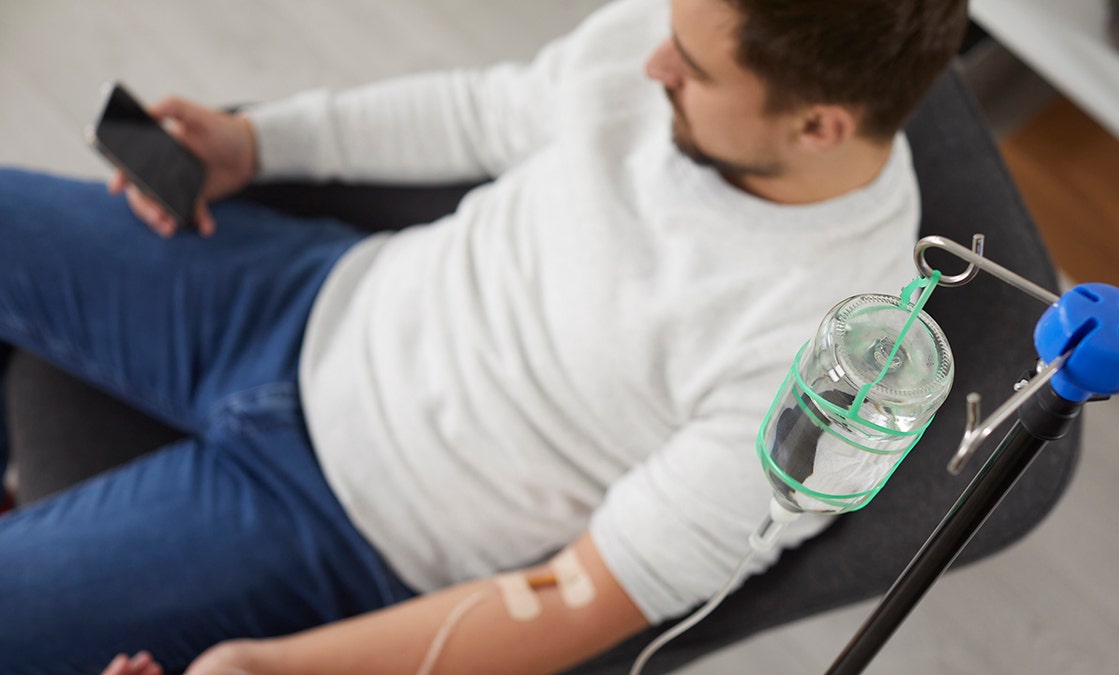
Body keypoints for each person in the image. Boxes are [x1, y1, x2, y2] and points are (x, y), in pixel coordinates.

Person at [0, 0, 968, 672]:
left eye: (692, 70)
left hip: (343, 526)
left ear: (819, 126)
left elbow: (593, 591)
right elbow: (483, 112)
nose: (652, 65)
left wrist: (276, 668)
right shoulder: (680, 41)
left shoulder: (836, 363)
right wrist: (261, 143)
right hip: (302, 297)